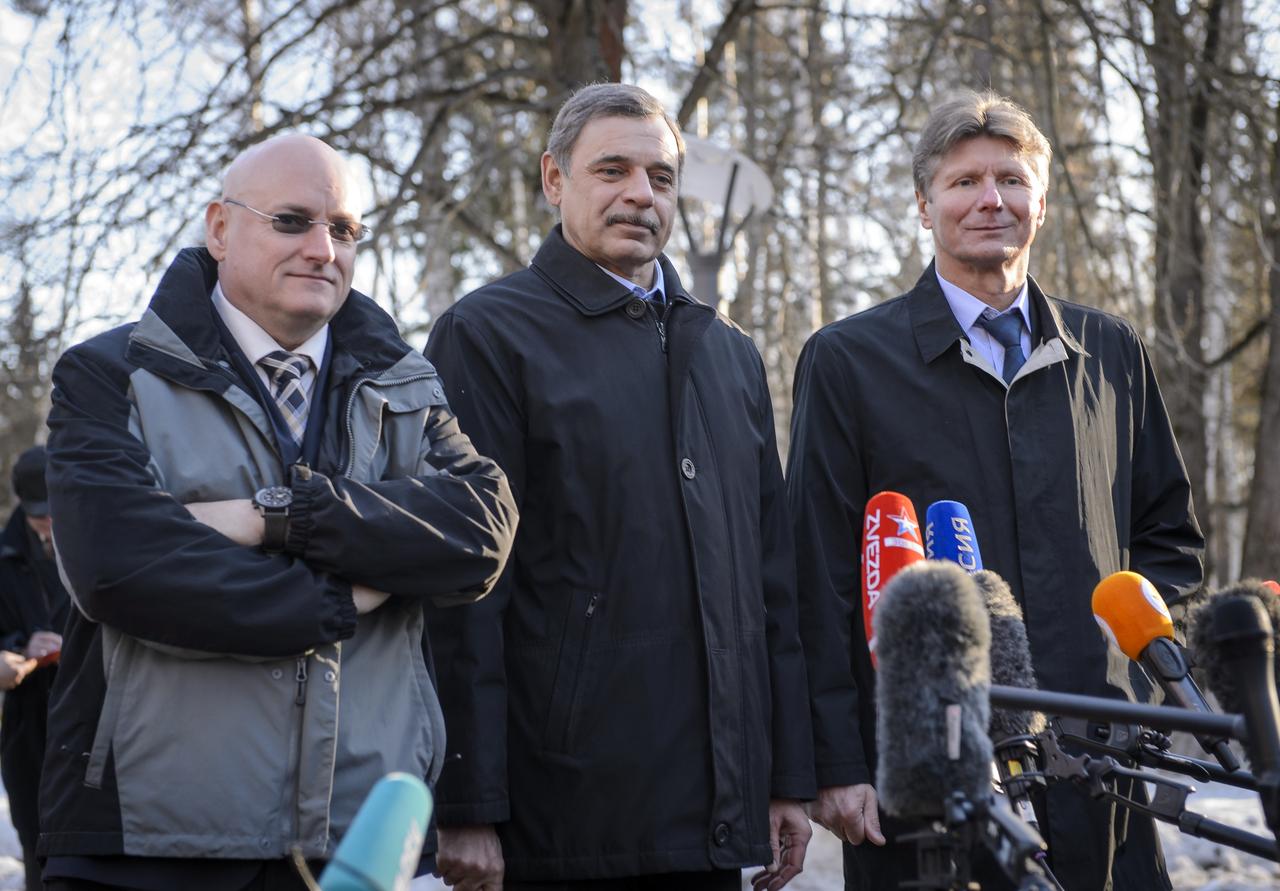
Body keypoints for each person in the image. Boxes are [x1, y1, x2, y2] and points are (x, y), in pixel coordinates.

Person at [38, 134, 517, 891]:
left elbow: (479, 530)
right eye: (292, 221)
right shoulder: (108, 374)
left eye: (346, 228)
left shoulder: (408, 387)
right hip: (145, 847)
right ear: (220, 229)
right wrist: (343, 594)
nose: (324, 248)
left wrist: (278, 518)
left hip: (356, 847)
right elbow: (119, 565)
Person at [786, 91, 1203, 890]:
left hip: (1101, 764)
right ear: (924, 204)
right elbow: (816, 577)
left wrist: (1125, 671)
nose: (990, 200)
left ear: (1040, 202)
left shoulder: (1111, 351)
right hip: (927, 773)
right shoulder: (847, 361)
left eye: (1011, 179)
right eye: (963, 181)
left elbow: (1168, 541)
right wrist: (836, 760)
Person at [424, 83, 815, 891]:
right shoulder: (487, 335)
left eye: (662, 177)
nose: (641, 194)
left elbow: (771, 584)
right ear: (554, 179)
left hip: (714, 823)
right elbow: (463, 591)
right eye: (613, 170)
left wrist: (785, 776)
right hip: (562, 821)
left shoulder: (728, 353)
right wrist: (467, 800)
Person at [0, 445, 69, 889]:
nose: (46, 520)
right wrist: (18, 648)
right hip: (26, 725)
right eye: (37, 511)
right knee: (35, 843)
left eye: (52, 509)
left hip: (84, 723)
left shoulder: (90, 541)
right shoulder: (5, 557)